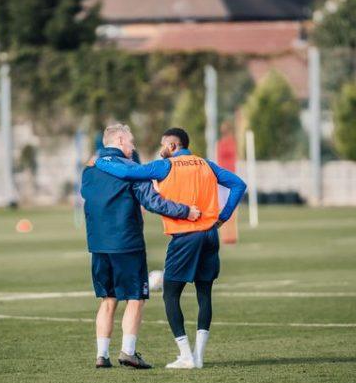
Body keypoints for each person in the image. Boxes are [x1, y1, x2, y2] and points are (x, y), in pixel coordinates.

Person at [95, 127, 246, 369]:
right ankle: (199, 355)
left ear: (172, 146)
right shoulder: (206, 164)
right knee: (204, 294)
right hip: (210, 234)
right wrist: (223, 217)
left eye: (163, 145)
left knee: (170, 294)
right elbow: (239, 185)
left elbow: (125, 172)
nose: (161, 149)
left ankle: (186, 356)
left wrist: (100, 161)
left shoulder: (165, 166)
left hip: (185, 236)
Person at [81, 124, 201, 369]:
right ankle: (128, 352)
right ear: (121, 139)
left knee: (108, 299)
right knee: (135, 298)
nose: (133, 147)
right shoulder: (132, 170)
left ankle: (101, 355)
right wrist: (185, 211)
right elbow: (153, 202)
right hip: (126, 243)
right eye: (131, 142)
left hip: (98, 244)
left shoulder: (89, 170)